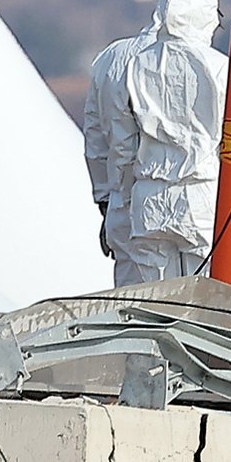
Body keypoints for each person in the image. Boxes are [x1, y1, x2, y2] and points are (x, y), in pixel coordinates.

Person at [106, 0, 231, 285]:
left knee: (157, 307)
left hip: (150, 204)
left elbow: (121, 147)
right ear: (208, 17)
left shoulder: (133, 66)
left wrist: (121, 205)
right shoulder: (220, 68)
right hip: (203, 200)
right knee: (216, 307)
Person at [84, 27, 154, 287]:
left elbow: (95, 136)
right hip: (190, 206)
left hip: (121, 202)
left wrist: (105, 199)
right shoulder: (210, 64)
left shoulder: (110, 58)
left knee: (129, 305)